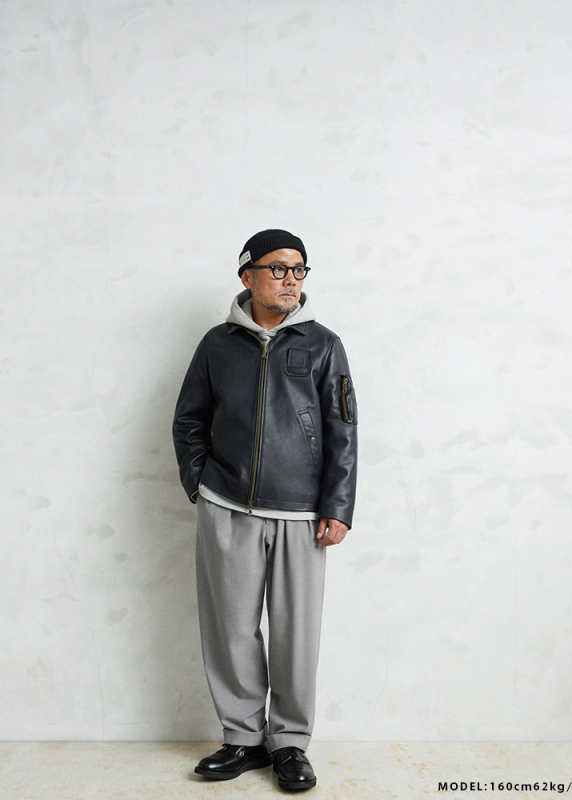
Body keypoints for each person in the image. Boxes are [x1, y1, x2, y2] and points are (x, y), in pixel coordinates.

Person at [172, 229, 358, 791]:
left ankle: (290, 744)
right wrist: (200, 485)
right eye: (278, 268)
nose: (291, 280)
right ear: (247, 275)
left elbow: (343, 432)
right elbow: (189, 419)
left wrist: (338, 506)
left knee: (296, 635)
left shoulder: (322, 344)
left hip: (302, 512)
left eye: (299, 269)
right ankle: (243, 739)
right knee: (230, 629)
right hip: (227, 504)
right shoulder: (217, 344)